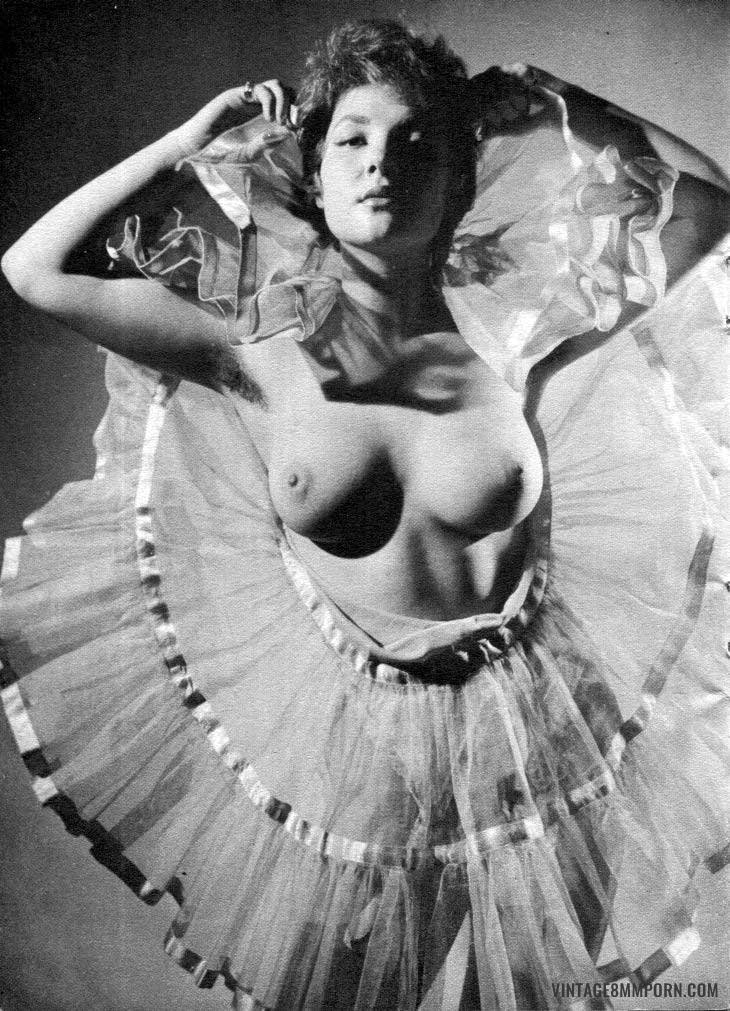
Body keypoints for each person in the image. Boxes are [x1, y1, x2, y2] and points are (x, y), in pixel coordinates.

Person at [1, 18, 728, 1010]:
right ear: (314, 173)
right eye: (353, 139)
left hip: (541, 738)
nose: (382, 163)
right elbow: (35, 270)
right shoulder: (253, 355)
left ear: (457, 178)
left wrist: (562, 104)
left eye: (417, 142)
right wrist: (184, 145)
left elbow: (707, 208)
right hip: (362, 748)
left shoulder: (520, 341)